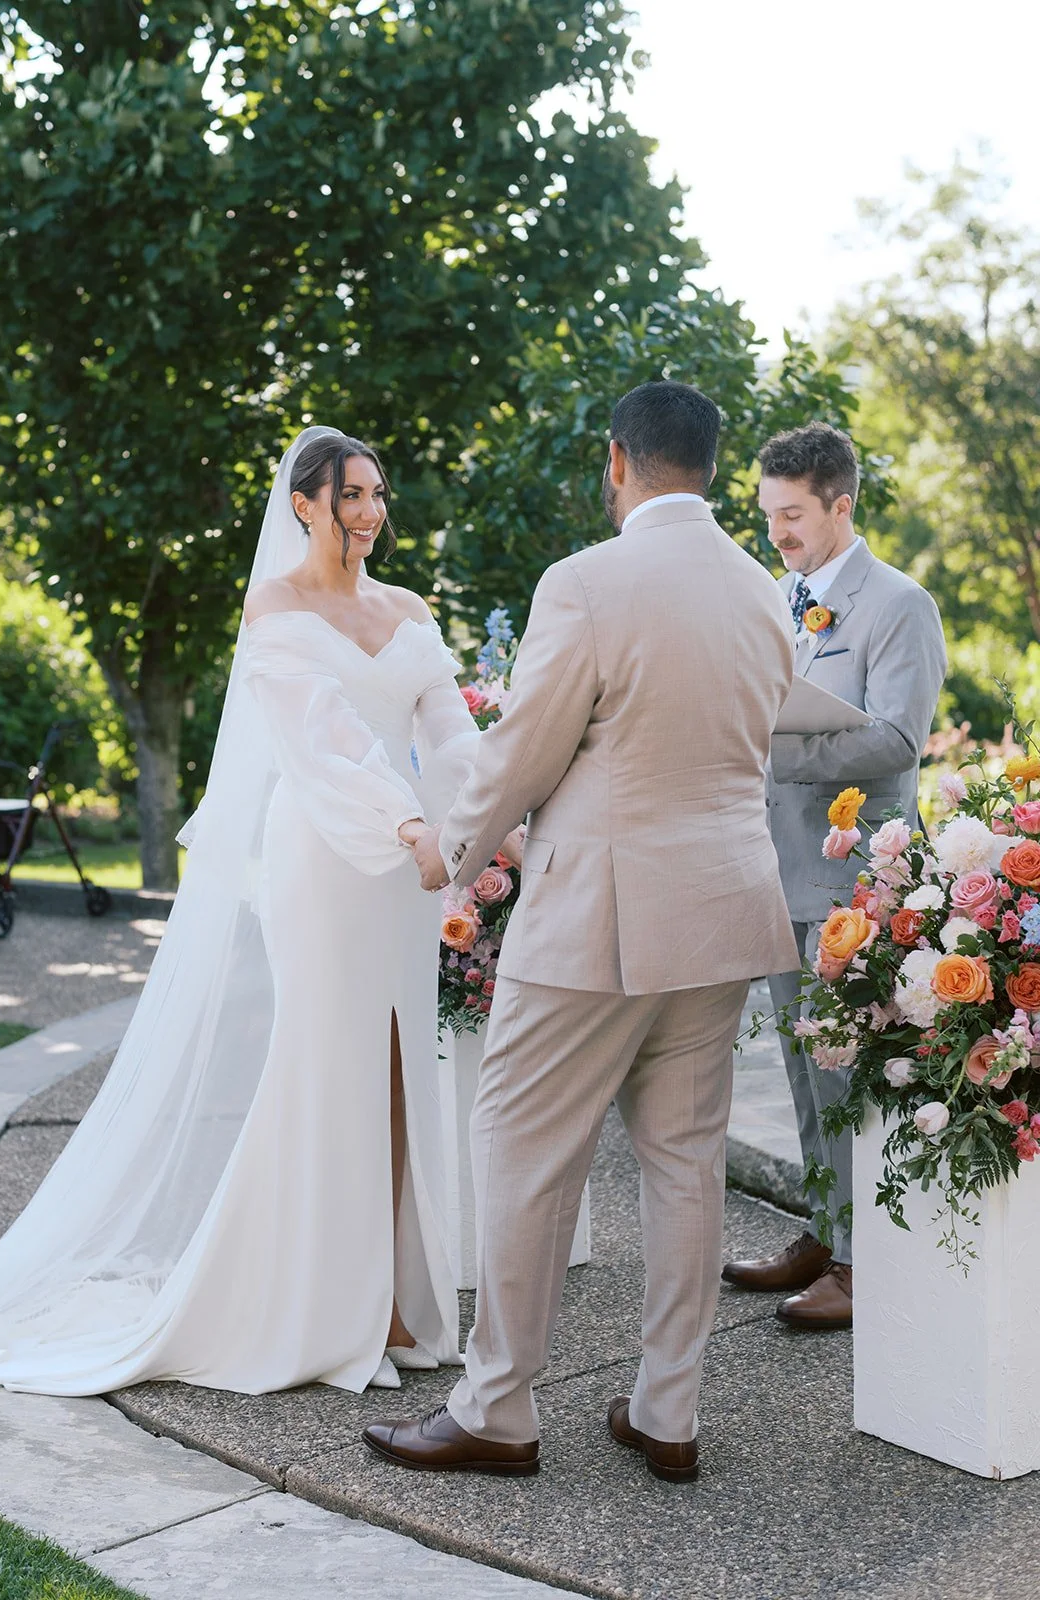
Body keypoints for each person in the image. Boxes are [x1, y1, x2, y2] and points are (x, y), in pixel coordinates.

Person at [0, 426, 491, 1397]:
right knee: (332, 1067)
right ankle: (322, 1303)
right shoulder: (275, 610)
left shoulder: (407, 608)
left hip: (405, 876)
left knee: (404, 1069)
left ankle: (398, 1300)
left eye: (379, 495)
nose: (370, 513)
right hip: (328, 856)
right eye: (351, 495)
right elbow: (326, 738)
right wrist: (412, 824)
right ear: (304, 504)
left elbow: (445, 726)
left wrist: (488, 813)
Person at [362, 381, 800, 1483]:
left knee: (521, 1151)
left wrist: (448, 859)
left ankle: (499, 1409)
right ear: (708, 464)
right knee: (685, 1167)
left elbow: (520, 754)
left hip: (597, 919)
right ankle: (668, 1411)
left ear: (617, 461)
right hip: (725, 912)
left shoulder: (587, 583)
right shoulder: (766, 592)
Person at [721, 422, 946, 1331]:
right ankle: (823, 1230)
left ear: (841, 504)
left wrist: (772, 748)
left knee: (845, 1076)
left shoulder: (901, 605)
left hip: (856, 884)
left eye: (793, 514)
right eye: (768, 513)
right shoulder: (774, 599)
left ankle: (860, 1264)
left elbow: (897, 738)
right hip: (773, 874)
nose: (777, 533)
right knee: (799, 1067)